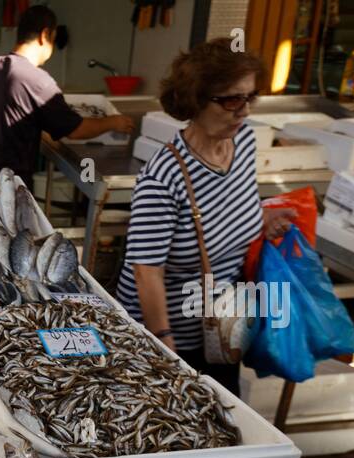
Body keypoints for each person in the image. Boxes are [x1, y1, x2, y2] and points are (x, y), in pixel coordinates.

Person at [115, 38, 296, 394]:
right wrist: (164, 343)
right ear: (196, 101)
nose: (243, 111)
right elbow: (145, 269)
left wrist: (263, 219)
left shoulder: (243, 142)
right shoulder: (163, 177)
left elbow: (232, 205)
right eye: (230, 100)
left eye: (249, 98)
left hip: (222, 325)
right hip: (168, 335)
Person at [0, 5, 134, 181]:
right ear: (45, 35)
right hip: (6, 183)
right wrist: (113, 122)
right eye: (53, 39)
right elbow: (76, 130)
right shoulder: (38, 80)